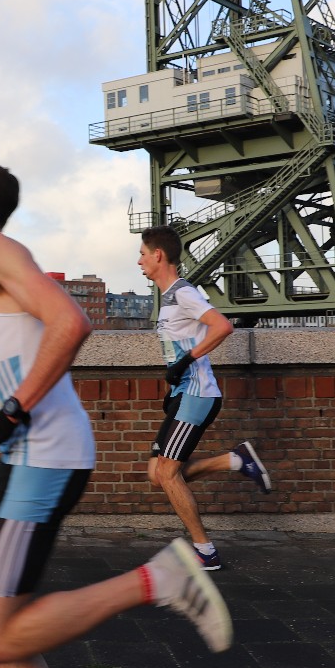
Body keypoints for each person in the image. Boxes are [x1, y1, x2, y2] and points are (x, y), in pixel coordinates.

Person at [0, 159, 231, 668]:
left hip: (42, 459)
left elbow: (71, 321)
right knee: (7, 633)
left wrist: (10, 415)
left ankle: (160, 579)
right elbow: (12, 379)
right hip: (27, 458)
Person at [137, 225, 273, 572]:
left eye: (142, 254)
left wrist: (186, 361)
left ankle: (205, 551)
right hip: (183, 395)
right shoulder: (168, 298)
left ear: (158, 255)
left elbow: (222, 326)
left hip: (198, 395)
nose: (139, 261)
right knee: (158, 474)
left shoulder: (183, 292)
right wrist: (172, 384)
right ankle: (234, 461)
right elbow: (177, 348)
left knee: (168, 474)